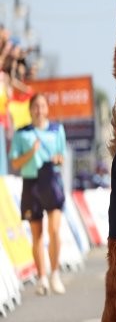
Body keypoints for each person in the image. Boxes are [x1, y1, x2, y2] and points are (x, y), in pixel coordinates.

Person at [9, 93, 67, 295]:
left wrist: (59, 159)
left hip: (51, 180)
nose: (39, 110)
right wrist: (31, 153)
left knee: (54, 229)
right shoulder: (21, 133)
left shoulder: (57, 129)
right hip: (31, 183)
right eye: (35, 106)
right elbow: (14, 162)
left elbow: (62, 157)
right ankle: (42, 278)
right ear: (30, 109)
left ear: (47, 109)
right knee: (37, 235)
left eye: (42, 106)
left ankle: (55, 274)